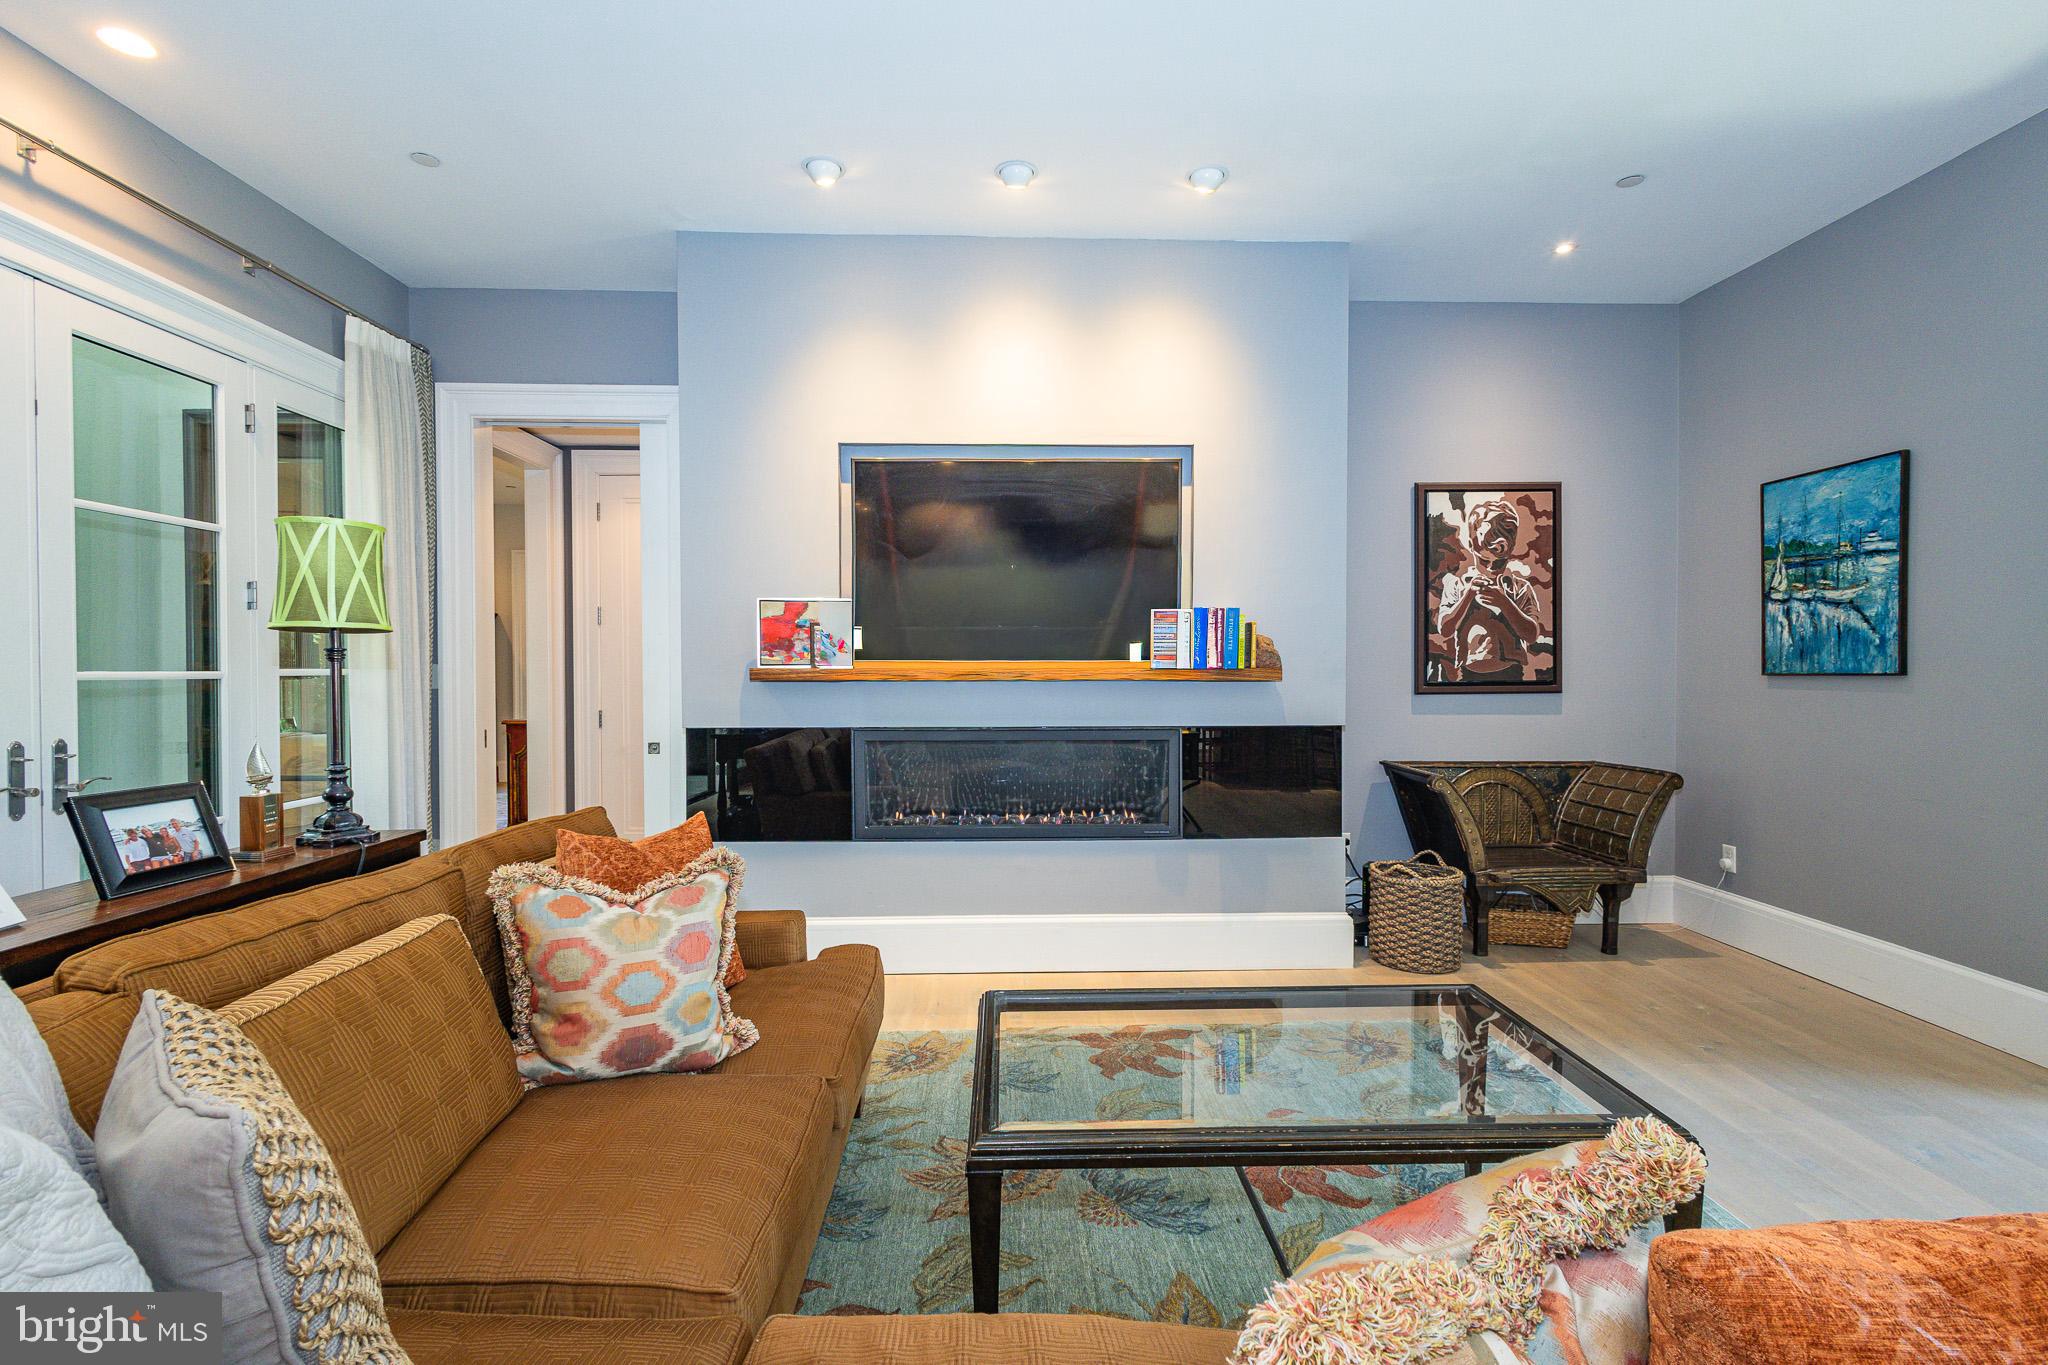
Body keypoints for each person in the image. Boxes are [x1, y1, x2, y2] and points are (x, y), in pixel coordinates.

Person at [1435, 498, 1544, 683]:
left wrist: (1505, 602)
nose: (1492, 568)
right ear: (1471, 545)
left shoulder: (1519, 587)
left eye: (1500, 561)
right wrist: (1468, 595)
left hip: (1512, 672)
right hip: (1466, 673)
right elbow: (1445, 629)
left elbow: (1532, 634)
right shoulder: (1458, 585)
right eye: (1485, 560)